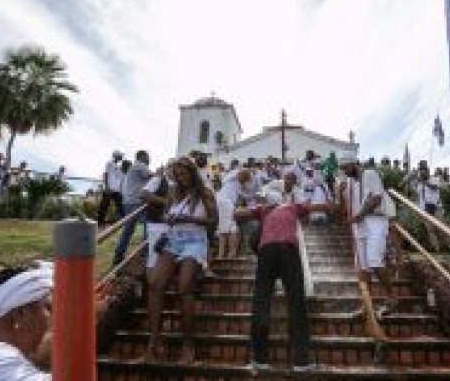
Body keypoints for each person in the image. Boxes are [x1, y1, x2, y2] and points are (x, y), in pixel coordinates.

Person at [234, 176, 331, 372]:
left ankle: (260, 359)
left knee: (261, 302)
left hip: (266, 251)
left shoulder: (264, 209)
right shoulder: (292, 207)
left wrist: (254, 209)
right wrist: (332, 205)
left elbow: (237, 214)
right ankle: (300, 361)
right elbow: (318, 207)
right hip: (288, 250)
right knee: (296, 303)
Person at [146, 158, 218, 364]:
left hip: (195, 241)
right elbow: (166, 215)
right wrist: (168, 218)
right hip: (173, 240)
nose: (181, 178)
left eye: (184, 174)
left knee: (185, 286)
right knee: (155, 284)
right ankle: (154, 340)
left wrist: (190, 219)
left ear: (193, 173)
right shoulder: (173, 193)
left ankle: (188, 344)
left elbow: (213, 221)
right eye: (177, 175)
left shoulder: (205, 193)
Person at [339, 152, 396, 318]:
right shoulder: (349, 182)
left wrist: (361, 214)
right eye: (342, 169)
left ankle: (392, 298)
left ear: (354, 164)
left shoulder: (370, 174)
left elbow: (377, 198)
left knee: (374, 262)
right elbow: (344, 209)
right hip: (359, 225)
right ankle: (366, 306)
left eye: (346, 168)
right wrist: (339, 192)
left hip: (375, 221)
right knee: (363, 268)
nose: (344, 172)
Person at [112, 151, 151, 266]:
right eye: (148, 157)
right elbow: (153, 176)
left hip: (128, 202)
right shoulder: (140, 165)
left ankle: (119, 255)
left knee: (128, 229)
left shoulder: (133, 167)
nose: (149, 159)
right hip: (137, 201)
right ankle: (146, 254)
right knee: (148, 226)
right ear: (142, 157)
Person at [97, 151, 125, 227]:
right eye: (120, 156)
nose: (121, 157)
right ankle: (100, 222)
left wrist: (120, 189)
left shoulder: (119, 167)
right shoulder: (109, 163)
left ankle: (124, 221)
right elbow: (106, 174)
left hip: (116, 190)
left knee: (120, 206)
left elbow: (119, 179)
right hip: (109, 188)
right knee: (104, 206)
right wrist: (106, 186)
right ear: (116, 156)